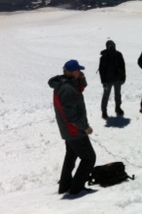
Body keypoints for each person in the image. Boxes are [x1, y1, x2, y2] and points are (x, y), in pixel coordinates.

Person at [48, 59, 96, 196]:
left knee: (71, 156)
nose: (80, 72)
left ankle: (64, 186)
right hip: (74, 130)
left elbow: (80, 88)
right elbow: (71, 116)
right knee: (89, 158)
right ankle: (76, 188)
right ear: (71, 72)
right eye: (78, 70)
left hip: (69, 130)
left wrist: (81, 78)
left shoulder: (65, 83)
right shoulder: (67, 89)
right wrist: (85, 127)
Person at [98, 39, 126, 119]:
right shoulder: (104, 57)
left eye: (113, 46)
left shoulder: (118, 55)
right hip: (108, 80)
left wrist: (123, 77)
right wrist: (103, 82)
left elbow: (123, 66)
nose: (112, 47)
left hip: (117, 79)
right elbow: (101, 70)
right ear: (107, 47)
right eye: (110, 46)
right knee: (106, 96)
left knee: (118, 94)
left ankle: (118, 108)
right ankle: (104, 111)